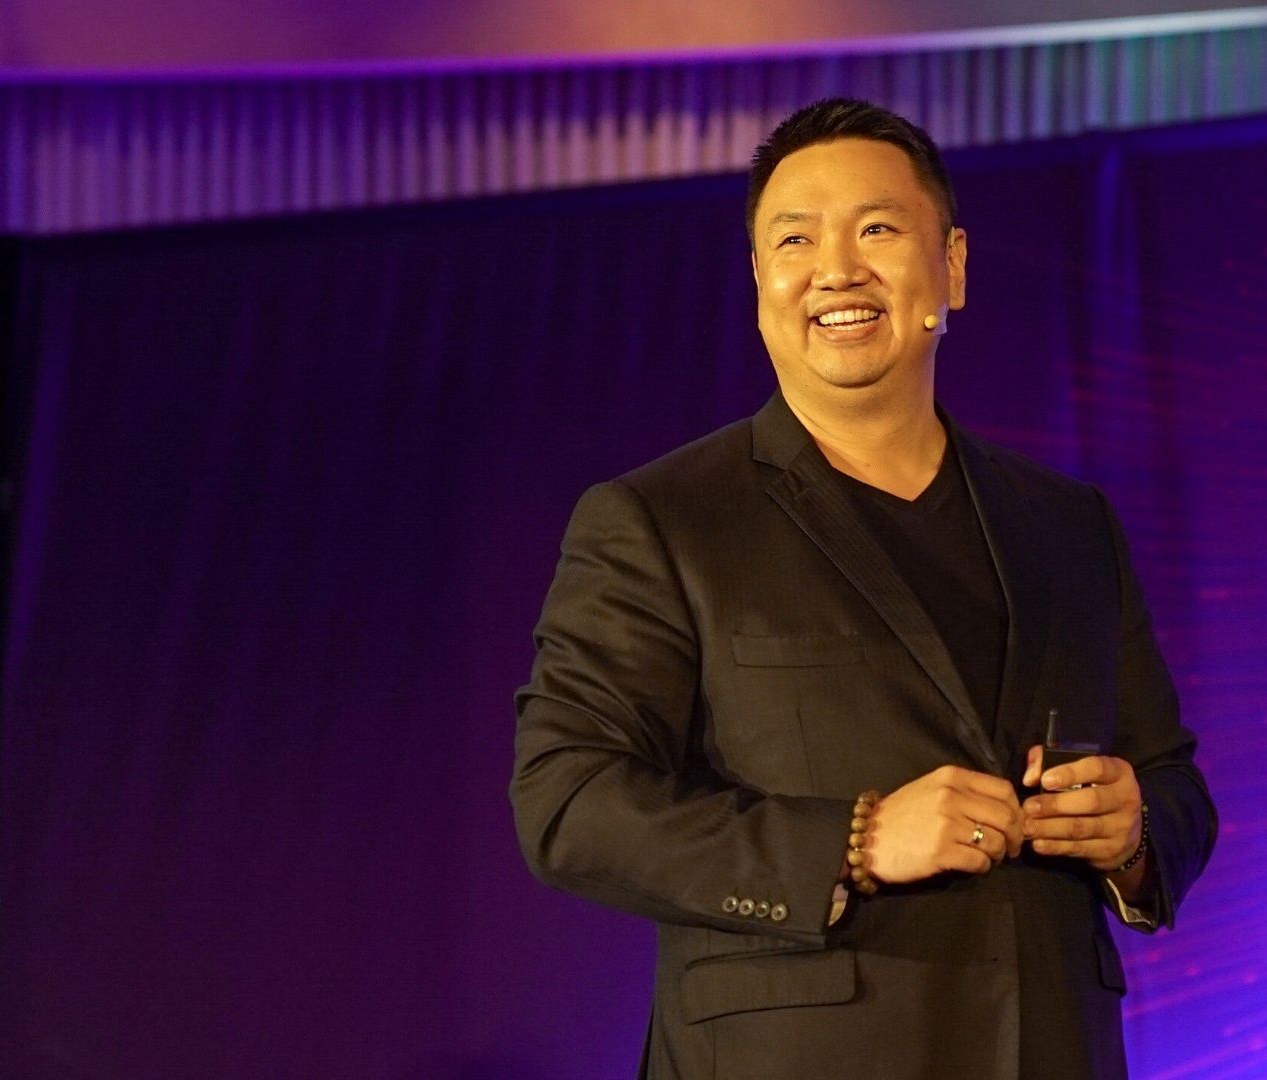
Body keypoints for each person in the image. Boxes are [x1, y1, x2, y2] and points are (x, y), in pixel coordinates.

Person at [508, 98, 1217, 1079]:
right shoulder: (662, 520)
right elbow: (569, 802)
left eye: (877, 229)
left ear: (952, 266)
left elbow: (1172, 779)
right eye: (795, 239)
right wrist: (855, 840)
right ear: (761, 282)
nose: (836, 270)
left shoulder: (1067, 527)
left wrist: (1133, 833)